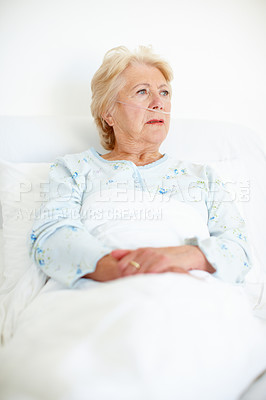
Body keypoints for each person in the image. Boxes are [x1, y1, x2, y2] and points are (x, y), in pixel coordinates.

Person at [30, 45, 251, 288]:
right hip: (104, 289)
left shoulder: (202, 177)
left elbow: (238, 250)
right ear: (109, 113)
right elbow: (53, 237)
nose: (158, 103)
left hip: (189, 288)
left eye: (164, 93)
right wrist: (122, 271)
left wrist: (176, 258)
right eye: (142, 92)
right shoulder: (74, 170)